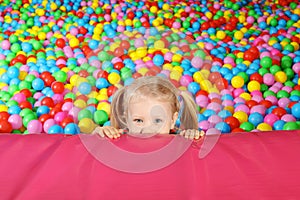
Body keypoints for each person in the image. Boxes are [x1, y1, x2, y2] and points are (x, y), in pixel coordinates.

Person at [92, 76, 204, 140]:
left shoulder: (179, 137)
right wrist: (99, 133)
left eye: (157, 121)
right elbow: (94, 144)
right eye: (138, 120)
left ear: (172, 121)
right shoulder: (121, 136)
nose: (148, 130)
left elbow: (194, 146)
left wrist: (192, 135)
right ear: (127, 119)